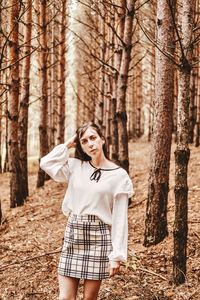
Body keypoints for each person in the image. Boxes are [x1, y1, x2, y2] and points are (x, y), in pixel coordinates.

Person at [40, 122, 134, 300]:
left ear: (102, 139)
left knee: (89, 299)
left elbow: (120, 218)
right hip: (74, 233)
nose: (90, 144)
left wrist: (117, 255)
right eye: (84, 141)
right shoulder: (75, 167)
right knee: (65, 298)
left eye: (93, 138)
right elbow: (46, 163)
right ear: (80, 146)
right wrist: (68, 144)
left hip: (98, 238)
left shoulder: (119, 175)